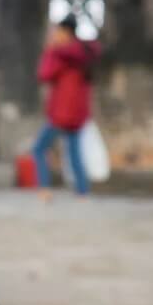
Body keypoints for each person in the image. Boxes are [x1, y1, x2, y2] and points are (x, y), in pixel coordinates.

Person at [32, 17, 99, 195]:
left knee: (38, 148)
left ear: (65, 32)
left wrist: (50, 50)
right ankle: (83, 191)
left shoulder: (61, 54)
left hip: (61, 113)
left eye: (57, 31)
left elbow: (44, 74)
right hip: (78, 113)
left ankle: (44, 188)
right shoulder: (83, 53)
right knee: (74, 153)